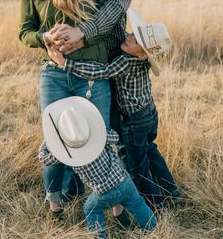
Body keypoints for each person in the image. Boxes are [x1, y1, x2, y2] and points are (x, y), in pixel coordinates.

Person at [19, 0, 112, 212]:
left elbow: (109, 26)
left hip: (92, 75)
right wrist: (44, 37)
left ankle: (107, 203)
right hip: (54, 75)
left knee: (100, 140)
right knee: (55, 141)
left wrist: (82, 40)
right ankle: (55, 204)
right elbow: (25, 32)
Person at [46, 8, 181, 208]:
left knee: (137, 164)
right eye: (133, 34)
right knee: (151, 150)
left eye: (135, 41)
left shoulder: (127, 61)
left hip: (135, 120)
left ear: (144, 54)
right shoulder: (140, 59)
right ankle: (171, 191)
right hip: (149, 113)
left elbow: (102, 71)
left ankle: (155, 205)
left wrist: (66, 64)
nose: (128, 37)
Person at [39, 96, 157, 238]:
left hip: (104, 193)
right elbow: (115, 137)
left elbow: (43, 158)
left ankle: (99, 236)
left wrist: (49, 140)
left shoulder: (67, 154)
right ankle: (154, 229)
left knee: (91, 210)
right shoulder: (99, 138)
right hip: (124, 182)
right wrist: (95, 128)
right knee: (138, 204)